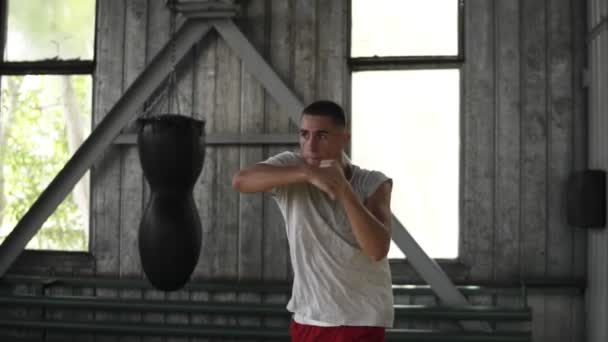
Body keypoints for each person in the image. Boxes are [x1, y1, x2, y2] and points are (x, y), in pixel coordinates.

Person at [232, 100, 394, 341]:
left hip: (359, 318)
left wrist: (343, 189)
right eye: (305, 135)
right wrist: (307, 173)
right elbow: (241, 181)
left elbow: (377, 249)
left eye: (322, 136)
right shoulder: (291, 166)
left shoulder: (372, 182)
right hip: (308, 317)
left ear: (344, 138)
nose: (311, 146)